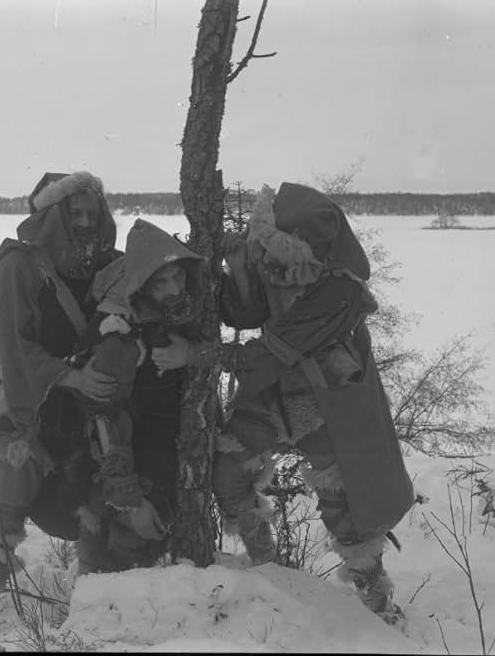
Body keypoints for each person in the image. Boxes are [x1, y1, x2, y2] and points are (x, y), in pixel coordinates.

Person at [171, 182, 414, 623]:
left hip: (326, 404)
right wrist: (237, 269)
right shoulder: (279, 260)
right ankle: (270, 572)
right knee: (227, 473)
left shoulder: (337, 291)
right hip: (275, 395)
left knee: (348, 510)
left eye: (271, 251)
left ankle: (378, 604)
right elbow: (248, 313)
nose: (266, 259)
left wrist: (195, 355)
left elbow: (268, 355)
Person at [0, 171, 122, 608]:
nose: (86, 223)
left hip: (87, 404)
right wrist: (71, 377)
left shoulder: (109, 263)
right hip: (28, 401)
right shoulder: (19, 267)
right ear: (53, 216)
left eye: (92, 213)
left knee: (99, 497)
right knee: (9, 491)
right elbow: (15, 344)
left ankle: (94, 603)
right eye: (75, 214)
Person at [70, 218, 208, 575]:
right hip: (126, 458)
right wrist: (131, 501)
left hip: (162, 443)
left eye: (178, 276)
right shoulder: (119, 337)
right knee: (127, 545)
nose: (174, 289)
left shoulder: (174, 310)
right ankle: (97, 595)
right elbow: (103, 422)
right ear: (142, 286)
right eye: (161, 283)